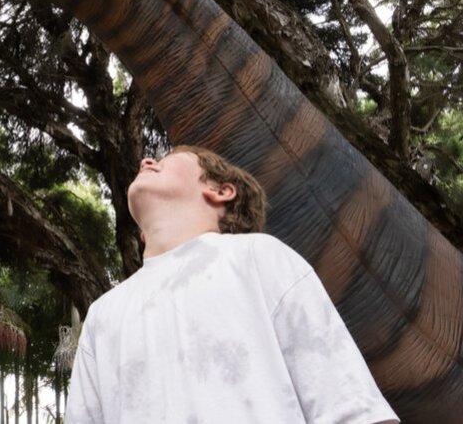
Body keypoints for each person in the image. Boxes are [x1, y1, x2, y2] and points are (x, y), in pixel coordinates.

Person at [65, 145, 399, 424]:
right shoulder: (102, 315)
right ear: (141, 233)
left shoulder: (261, 257)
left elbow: (352, 411)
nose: (145, 161)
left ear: (220, 190)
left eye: (164, 160)